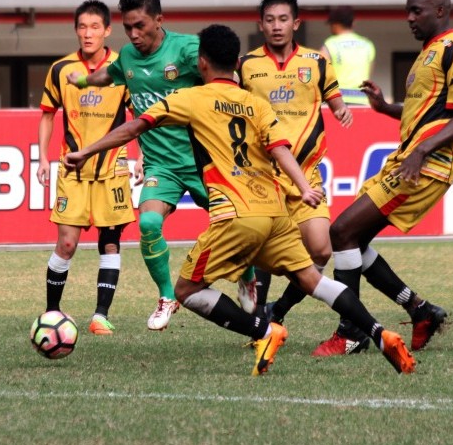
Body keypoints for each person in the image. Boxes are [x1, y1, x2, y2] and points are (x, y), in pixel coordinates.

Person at [64, 24, 416, 376]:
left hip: (234, 215)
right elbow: (281, 149)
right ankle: (379, 332)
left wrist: (87, 151)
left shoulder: (190, 98)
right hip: (275, 211)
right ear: (236, 62)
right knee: (313, 280)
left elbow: (135, 127)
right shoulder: (256, 104)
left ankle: (264, 330)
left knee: (186, 289)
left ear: (202, 63)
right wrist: (304, 188)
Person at [323, 0, 453, 353]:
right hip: (410, 159)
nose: (409, 18)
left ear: (440, 11)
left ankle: (350, 332)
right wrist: (384, 109)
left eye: (417, 11)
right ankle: (419, 309)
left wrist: (422, 151)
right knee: (352, 240)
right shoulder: (428, 54)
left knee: (343, 231)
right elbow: (428, 113)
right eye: (408, 11)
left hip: (425, 166)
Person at [68, 0, 229, 332]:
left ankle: (245, 276)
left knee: (233, 224)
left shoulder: (186, 50)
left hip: (204, 161)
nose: (134, 35)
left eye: (140, 26)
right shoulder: (126, 57)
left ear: (159, 19)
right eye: (128, 28)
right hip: (161, 166)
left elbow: (224, 80)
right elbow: (106, 76)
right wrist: (82, 79)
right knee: (148, 225)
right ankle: (168, 295)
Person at [238, 0, 363, 354]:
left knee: (321, 249)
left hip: (308, 174)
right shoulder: (246, 65)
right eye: (270, 20)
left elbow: (335, 101)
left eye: (283, 20)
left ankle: (280, 309)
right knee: (263, 253)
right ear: (260, 24)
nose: (276, 26)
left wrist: (342, 111)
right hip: (264, 176)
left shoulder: (317, 62)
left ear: (296, 23)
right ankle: (261, 322)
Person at [37, 0, 135, 335]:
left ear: (108, 30)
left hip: (113, 169)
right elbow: (48, 113)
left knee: (110, 242)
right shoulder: (61, 69)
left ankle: (100, 316)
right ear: (75, 30)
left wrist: (145, 157)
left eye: (95, 27)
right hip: (73, 171)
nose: (88, 33)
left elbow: (140, 116)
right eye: (82, 27)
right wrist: (41, 158)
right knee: (66, 244)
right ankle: (52, 313)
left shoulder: (123, 67)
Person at [320, 5, 376, 106]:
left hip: (337, 102)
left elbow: (321, 75)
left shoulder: (330, 45)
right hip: (363, 101)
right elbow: (369, 73)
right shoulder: (368, 45)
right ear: (353, 23)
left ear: (335, 24)